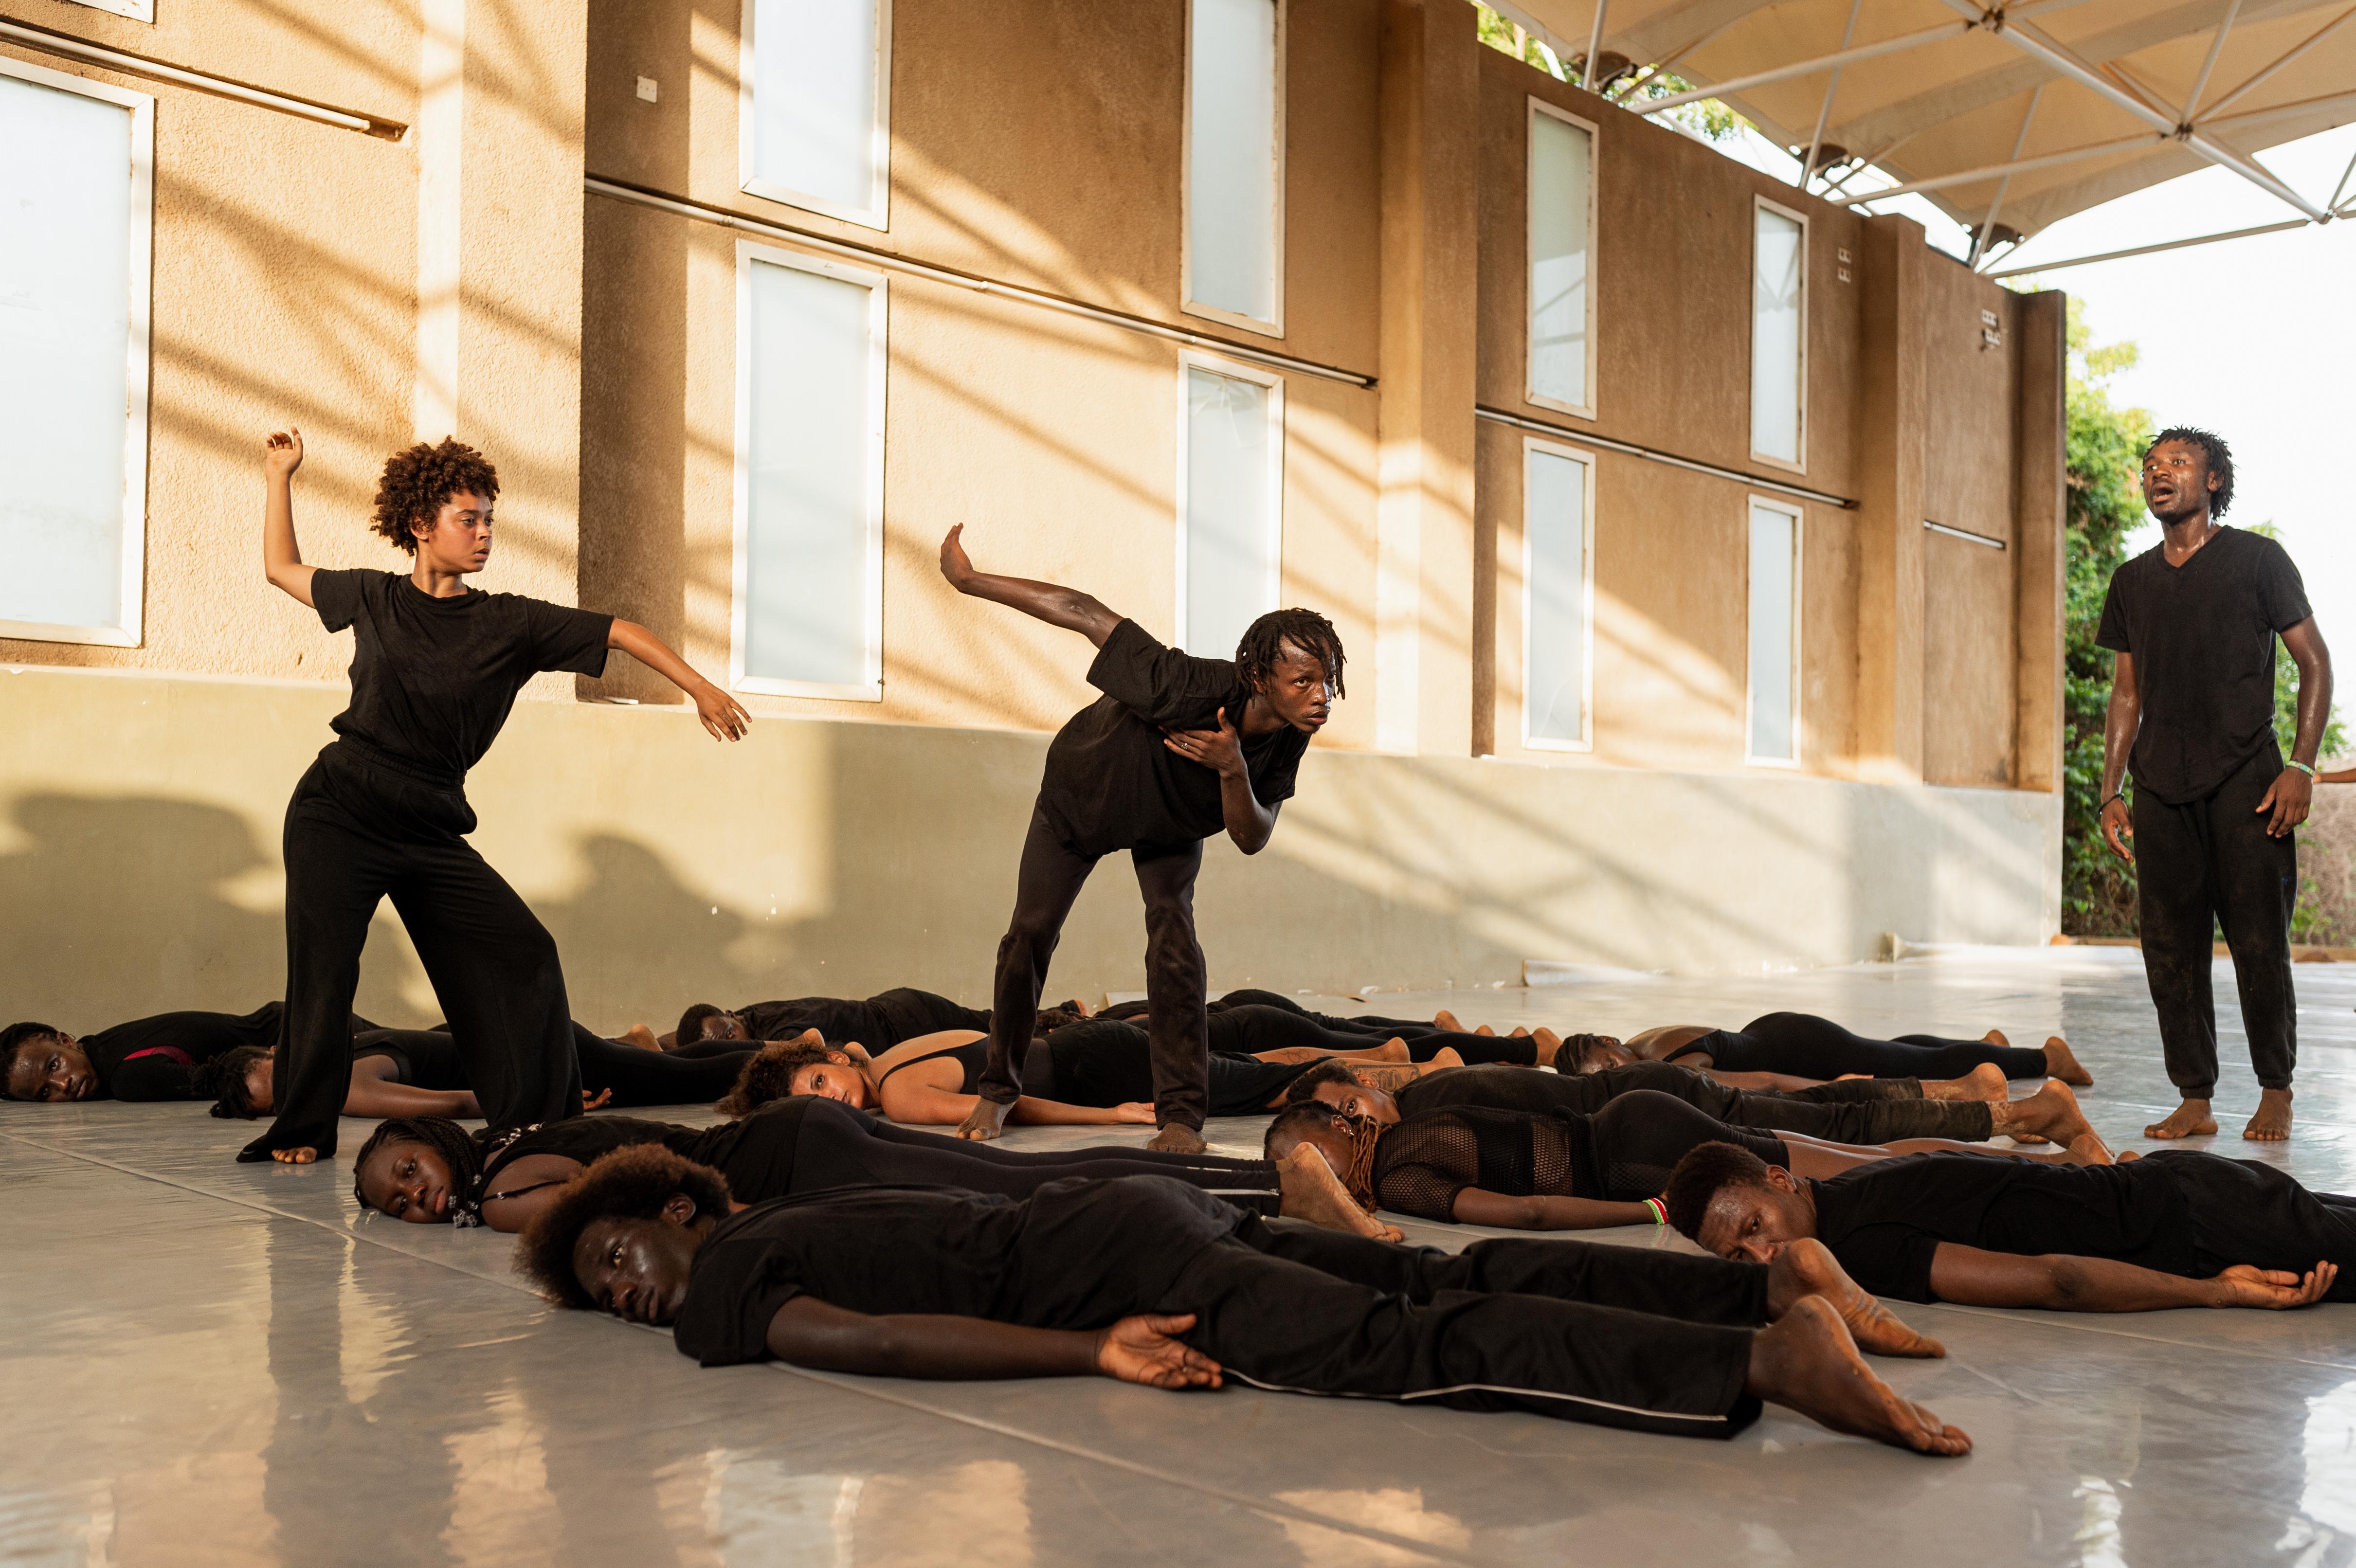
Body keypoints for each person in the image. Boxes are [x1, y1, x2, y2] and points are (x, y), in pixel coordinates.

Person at [517, 1147, 1973, 1455]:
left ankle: (1765, 1362)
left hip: (1115, 1266)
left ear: (676, 1214)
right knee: (1430, 1269)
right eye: (605, 1295)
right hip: (1130, 1213)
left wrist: (1090, 1345)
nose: (631, 1294)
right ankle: (1743, 1299)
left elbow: (873, 1340)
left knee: (1409, 1345)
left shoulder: (737, 1275)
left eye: (620, 1259)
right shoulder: (795, 1208)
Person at [245, 428, 749, 1165]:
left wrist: (698, 686)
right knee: (324, 970)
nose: (483, 535)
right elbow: (281, 567)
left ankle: (539, 1121)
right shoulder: (372, 595)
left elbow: (623, 630)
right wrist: (279, 475)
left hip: (427, 824)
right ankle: (301, 1130)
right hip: (339, 810)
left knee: (524, 952)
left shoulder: (508, 622)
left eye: (489, 520)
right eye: (467, 519)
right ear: (421, 526)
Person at [938, 524, 1344, 1153]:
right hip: (1082, 797)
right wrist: (970, 580)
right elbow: (1083, 612)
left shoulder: (1292, 730)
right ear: (1260, 676)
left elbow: (1251, 835)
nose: (1320, 697)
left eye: (1326, 681)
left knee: (1174, 938)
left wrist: (1232, 766)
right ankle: (998, 1089)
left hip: (1170, 824)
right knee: (1029, 935)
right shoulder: (1181, 684)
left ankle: (1180, 1116)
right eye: (1302, 682)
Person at [2094, 429, 2332, 1143]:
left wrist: (2301, 764)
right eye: (2149, 467)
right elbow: (2125, 695)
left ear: (2214, 481)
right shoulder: (2131, 580)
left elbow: (2314, 664)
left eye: (2176, 463)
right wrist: (2110, 790)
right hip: (2159, 788)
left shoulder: (2258, 560)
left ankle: (2276, 1089)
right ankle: (2194, 1096)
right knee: (2167, 951)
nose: (2158, 474)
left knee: (2260, 944)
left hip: (2247, 782)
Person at [349, 1095, 1388, 1238]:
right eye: (393, 1199)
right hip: (801, 1131)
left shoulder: (498, 1193)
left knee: (1024, 1192)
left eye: (402, 1169)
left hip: (795, 1169)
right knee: (1032, 1171)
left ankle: (1280, 1193)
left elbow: (622, 1211)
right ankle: (1273, 1177)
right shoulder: (521, 1133)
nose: (411, 1194)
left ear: (430, 1148)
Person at [1262, 1090, 2107, 1230]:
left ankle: (2063, 1174)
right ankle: (2043, 1151)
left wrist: (1645, 1210)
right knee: (1852, 1153)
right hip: (1633, 1118)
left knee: (1847, 1173)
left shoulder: (1401, 1178)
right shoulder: (1419, 1119)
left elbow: (1527, 1211)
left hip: (1634, 1164)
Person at [1663, 1139, 2348, 1310]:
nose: (1764, 1251)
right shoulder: (1848, 1189)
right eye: (1738, 1253)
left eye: (1755, 1222)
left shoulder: (1860, 1246)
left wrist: (2212, 1291)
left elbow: (2057, 1281)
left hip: (2203, 1227)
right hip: (2186, 1179)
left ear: (1778, 1180)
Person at [1283, 1057, 2104, 1149]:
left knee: (1837, 1125)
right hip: (1653, 1096)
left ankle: (2031, 1113)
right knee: (1824, 1111)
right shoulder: (1426, 1108)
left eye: (1345, 1107)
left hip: (1654, 1098)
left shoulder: (1430, 1103)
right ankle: (1980, 1097)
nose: (1353, 1123)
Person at [719, 1027, 1446, 1128]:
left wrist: (1113, 1116)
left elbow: (1007, 1106)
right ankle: (1404, 1059)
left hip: (1094, 1067)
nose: (834, 1097)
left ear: (835, 1063)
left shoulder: (901, 1095)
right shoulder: (889, 1058)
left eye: (819, 1082)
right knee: (1242, 1073)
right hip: (1083, 1043)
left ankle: (1412, 1077)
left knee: (1261, 1090)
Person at [207, 1022, 757, 1121]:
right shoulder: (349, 1044)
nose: (290, 1094)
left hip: (546, 1054)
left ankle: (811, 1062)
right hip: (539, 1038)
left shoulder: (346, 1083)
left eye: (278, 1081)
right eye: (276, 1104)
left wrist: (546, 1100)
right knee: (671, 1069)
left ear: (277, 1054)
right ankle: (795, 1049)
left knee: (690, 1081)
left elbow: (453, 1104)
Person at [1560, 1012, 2093, 1087]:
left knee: (1917, 1065)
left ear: (1609, 1043)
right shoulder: (1643, 1039)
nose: (1612, 1079)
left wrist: (1829, 1093)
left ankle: (2049, 1060)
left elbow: (1753, 1087)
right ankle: (1988, 1046)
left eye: (1607, 1068)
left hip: (1808, 1054)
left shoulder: (1665, 1063)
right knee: (1895, 1051)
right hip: (1779, 1035)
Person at [0, 1003, 374, 1103]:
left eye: (54, 1065)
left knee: (426, 1059)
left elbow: (228, 1082)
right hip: (293, 1023)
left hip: (300, 1033)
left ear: (65, 1040)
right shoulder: (100, 1047)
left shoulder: (128, 1077)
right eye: (44, 1092)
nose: (62, 1083)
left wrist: (274, 1059)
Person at [673, 988, 992, 1051]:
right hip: (898, 1010)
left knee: (998, 1029)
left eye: (730, 1034)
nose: (736, 1043)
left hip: (908, 1019)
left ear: (731, 1016)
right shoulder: (746, 1016)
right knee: (997, 1028)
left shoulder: (779, 1034)